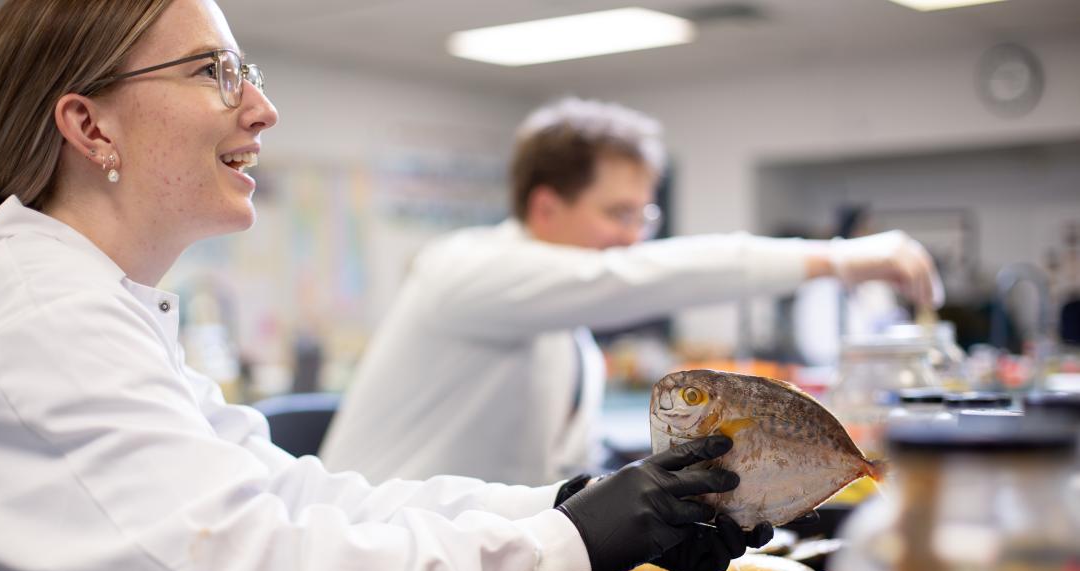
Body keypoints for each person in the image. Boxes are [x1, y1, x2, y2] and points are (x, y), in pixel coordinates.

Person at [0, 3, 772, 571]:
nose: (261, 109)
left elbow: (297, 500)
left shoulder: (90, 303)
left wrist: (569, 506)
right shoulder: (35, 321)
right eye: (211, 71)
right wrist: (572, 542)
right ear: (88, 125)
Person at [320, 97, 946, 486]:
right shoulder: (462, 271)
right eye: (618, 214)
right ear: (545, 206)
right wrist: (837, 258)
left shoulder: (560, 320)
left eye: (642, 219)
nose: (632, 240)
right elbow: (639, 278)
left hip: (466, 570)